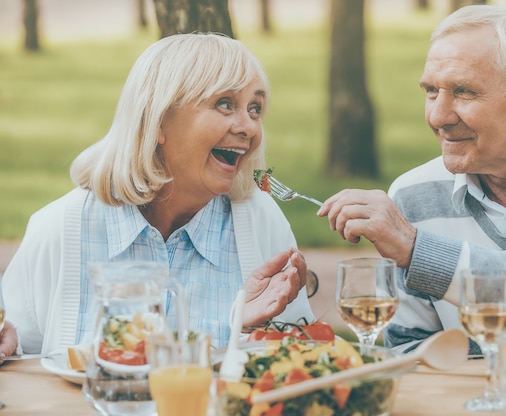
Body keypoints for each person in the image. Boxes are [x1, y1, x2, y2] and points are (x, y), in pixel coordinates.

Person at [317, 5, 506, 353]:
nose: (438, 116)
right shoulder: (412, 195)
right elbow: (412, 351)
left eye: (464, 92)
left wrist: (419, 250)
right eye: (431, 90)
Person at [0, 33, 314, 356]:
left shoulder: (262, 224)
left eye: (255, 108)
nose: (248, 126)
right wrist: (9, 343)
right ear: (158, 121)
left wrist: (249, 333)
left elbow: (304, 367)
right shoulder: (59, 229)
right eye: (225, 103)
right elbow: (17, 355)